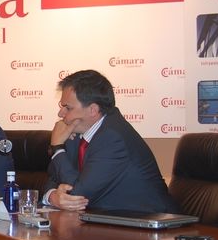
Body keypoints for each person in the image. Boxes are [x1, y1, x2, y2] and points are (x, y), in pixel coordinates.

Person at [42, 70, 178, 213]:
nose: (60, 113)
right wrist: (52, 197)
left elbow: (78, 195)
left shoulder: (112, 137)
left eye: (68, 108)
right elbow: (54, 177)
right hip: (108, 219)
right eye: (61, 106)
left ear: (93, 110)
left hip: (153, 220)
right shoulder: (74, 131)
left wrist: (57, 147)